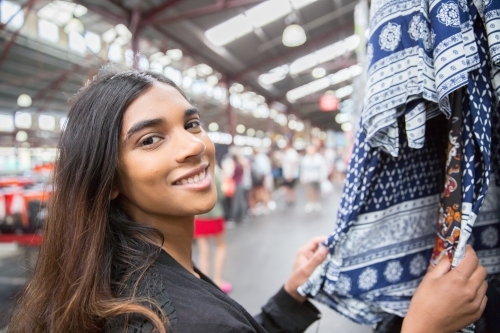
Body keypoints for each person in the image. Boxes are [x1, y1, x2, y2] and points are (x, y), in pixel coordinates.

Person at [7, 68, 488, 333]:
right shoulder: (173, 316)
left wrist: (290, 297)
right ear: (107, 178)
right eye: (150, 140)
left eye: (191, 124)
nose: (194, 145)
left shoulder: (130, 271)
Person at [193, 164, 232, 293]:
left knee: (203, 250)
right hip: (215, 213)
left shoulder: (192, 169)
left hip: (198, 215)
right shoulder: (214, 170)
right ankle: (218, 280)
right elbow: (220, 194)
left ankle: (204, 283)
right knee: (220, 246)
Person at [300, 145, 327, 212]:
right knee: (309, 190)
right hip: (308, 178)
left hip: (317, 177)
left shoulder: (319, 158)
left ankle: (317, 203)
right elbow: (303, 169)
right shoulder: (305, 159)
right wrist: (302, 178)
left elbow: (323, 167)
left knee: (317, 190)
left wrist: (323, 176)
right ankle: (309, 203)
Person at [281, 141, 300, 207]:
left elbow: (293, 164)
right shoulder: (286, 152)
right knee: (287, 187)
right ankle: (289, 199)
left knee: (291, 188)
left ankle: (292, 199)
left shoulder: (291, 152)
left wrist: (290, 174)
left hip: (290, 174)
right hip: (287, 173)